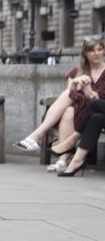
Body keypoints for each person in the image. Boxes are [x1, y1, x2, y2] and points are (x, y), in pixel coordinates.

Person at [43, 38, 105, 176]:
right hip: (88, 110)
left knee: (94, 105)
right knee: (95, 117)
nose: (96, 53)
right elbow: (71, 95)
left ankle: (71, 142)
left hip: (94, 106)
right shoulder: (78, 71)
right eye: (92, 50)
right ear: (85, 53)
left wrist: (91, 94)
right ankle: (76, 161)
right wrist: (82, 89)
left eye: (100, 49)